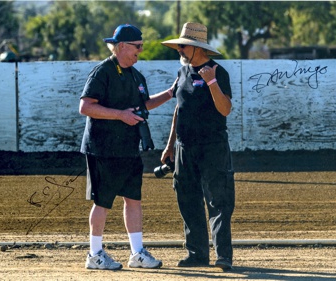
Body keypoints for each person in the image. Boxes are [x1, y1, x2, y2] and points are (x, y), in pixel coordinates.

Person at [79, 24, 174, 270]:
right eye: (138, 46)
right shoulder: (103, 71)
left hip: (128, 148)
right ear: (122, 46)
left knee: (133, 200)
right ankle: (94, 255)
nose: (140, 51)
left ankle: (137, 253)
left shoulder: (135, 74)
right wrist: (120, 115)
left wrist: (172, 92)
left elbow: (145, 104)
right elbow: (86, 107)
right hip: (103, 148)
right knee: (102, 202)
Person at [160, 22, 235, 270]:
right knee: (188, 199)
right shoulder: (182, 73)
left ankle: (223, 256)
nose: (179, 50)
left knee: (218, 201)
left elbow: (226, 109)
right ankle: (197, 254)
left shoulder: (218, 72)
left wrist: (212, 82)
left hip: (213, 146)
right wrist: (170, 146)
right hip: (184, 147)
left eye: (182, 46)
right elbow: (178, 110)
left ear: (195, 47)